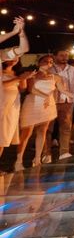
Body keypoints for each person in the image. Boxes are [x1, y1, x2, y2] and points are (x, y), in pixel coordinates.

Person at [15, 55, 74, 171]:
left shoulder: (56, 77)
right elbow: (31, 89)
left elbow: (63, 90)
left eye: (51, 62)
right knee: (26, 133)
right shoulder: (32, 74)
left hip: (48, 106)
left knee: (42, 132)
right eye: (45, 61)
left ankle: (37, 159)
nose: (48, 63)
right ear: (39, 63)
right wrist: (46, 96)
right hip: (33, 104)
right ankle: (18, 161)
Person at [0, 16, 31, 166]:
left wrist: (20, 33)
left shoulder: (1, 56)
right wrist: (12, 33)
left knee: (1, 136)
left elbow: (23, 49)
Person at [44, 49, 74, 161]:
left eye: (66, 55)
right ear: (55, 56)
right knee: (48, 129)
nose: (64, 57)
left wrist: (73, 101)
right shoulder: (50, 69)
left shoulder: (72, 69)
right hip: (52, 102)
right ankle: (46, 153)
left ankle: (64, 152)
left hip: (67, 102)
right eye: (61, 55)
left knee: (65, 128)